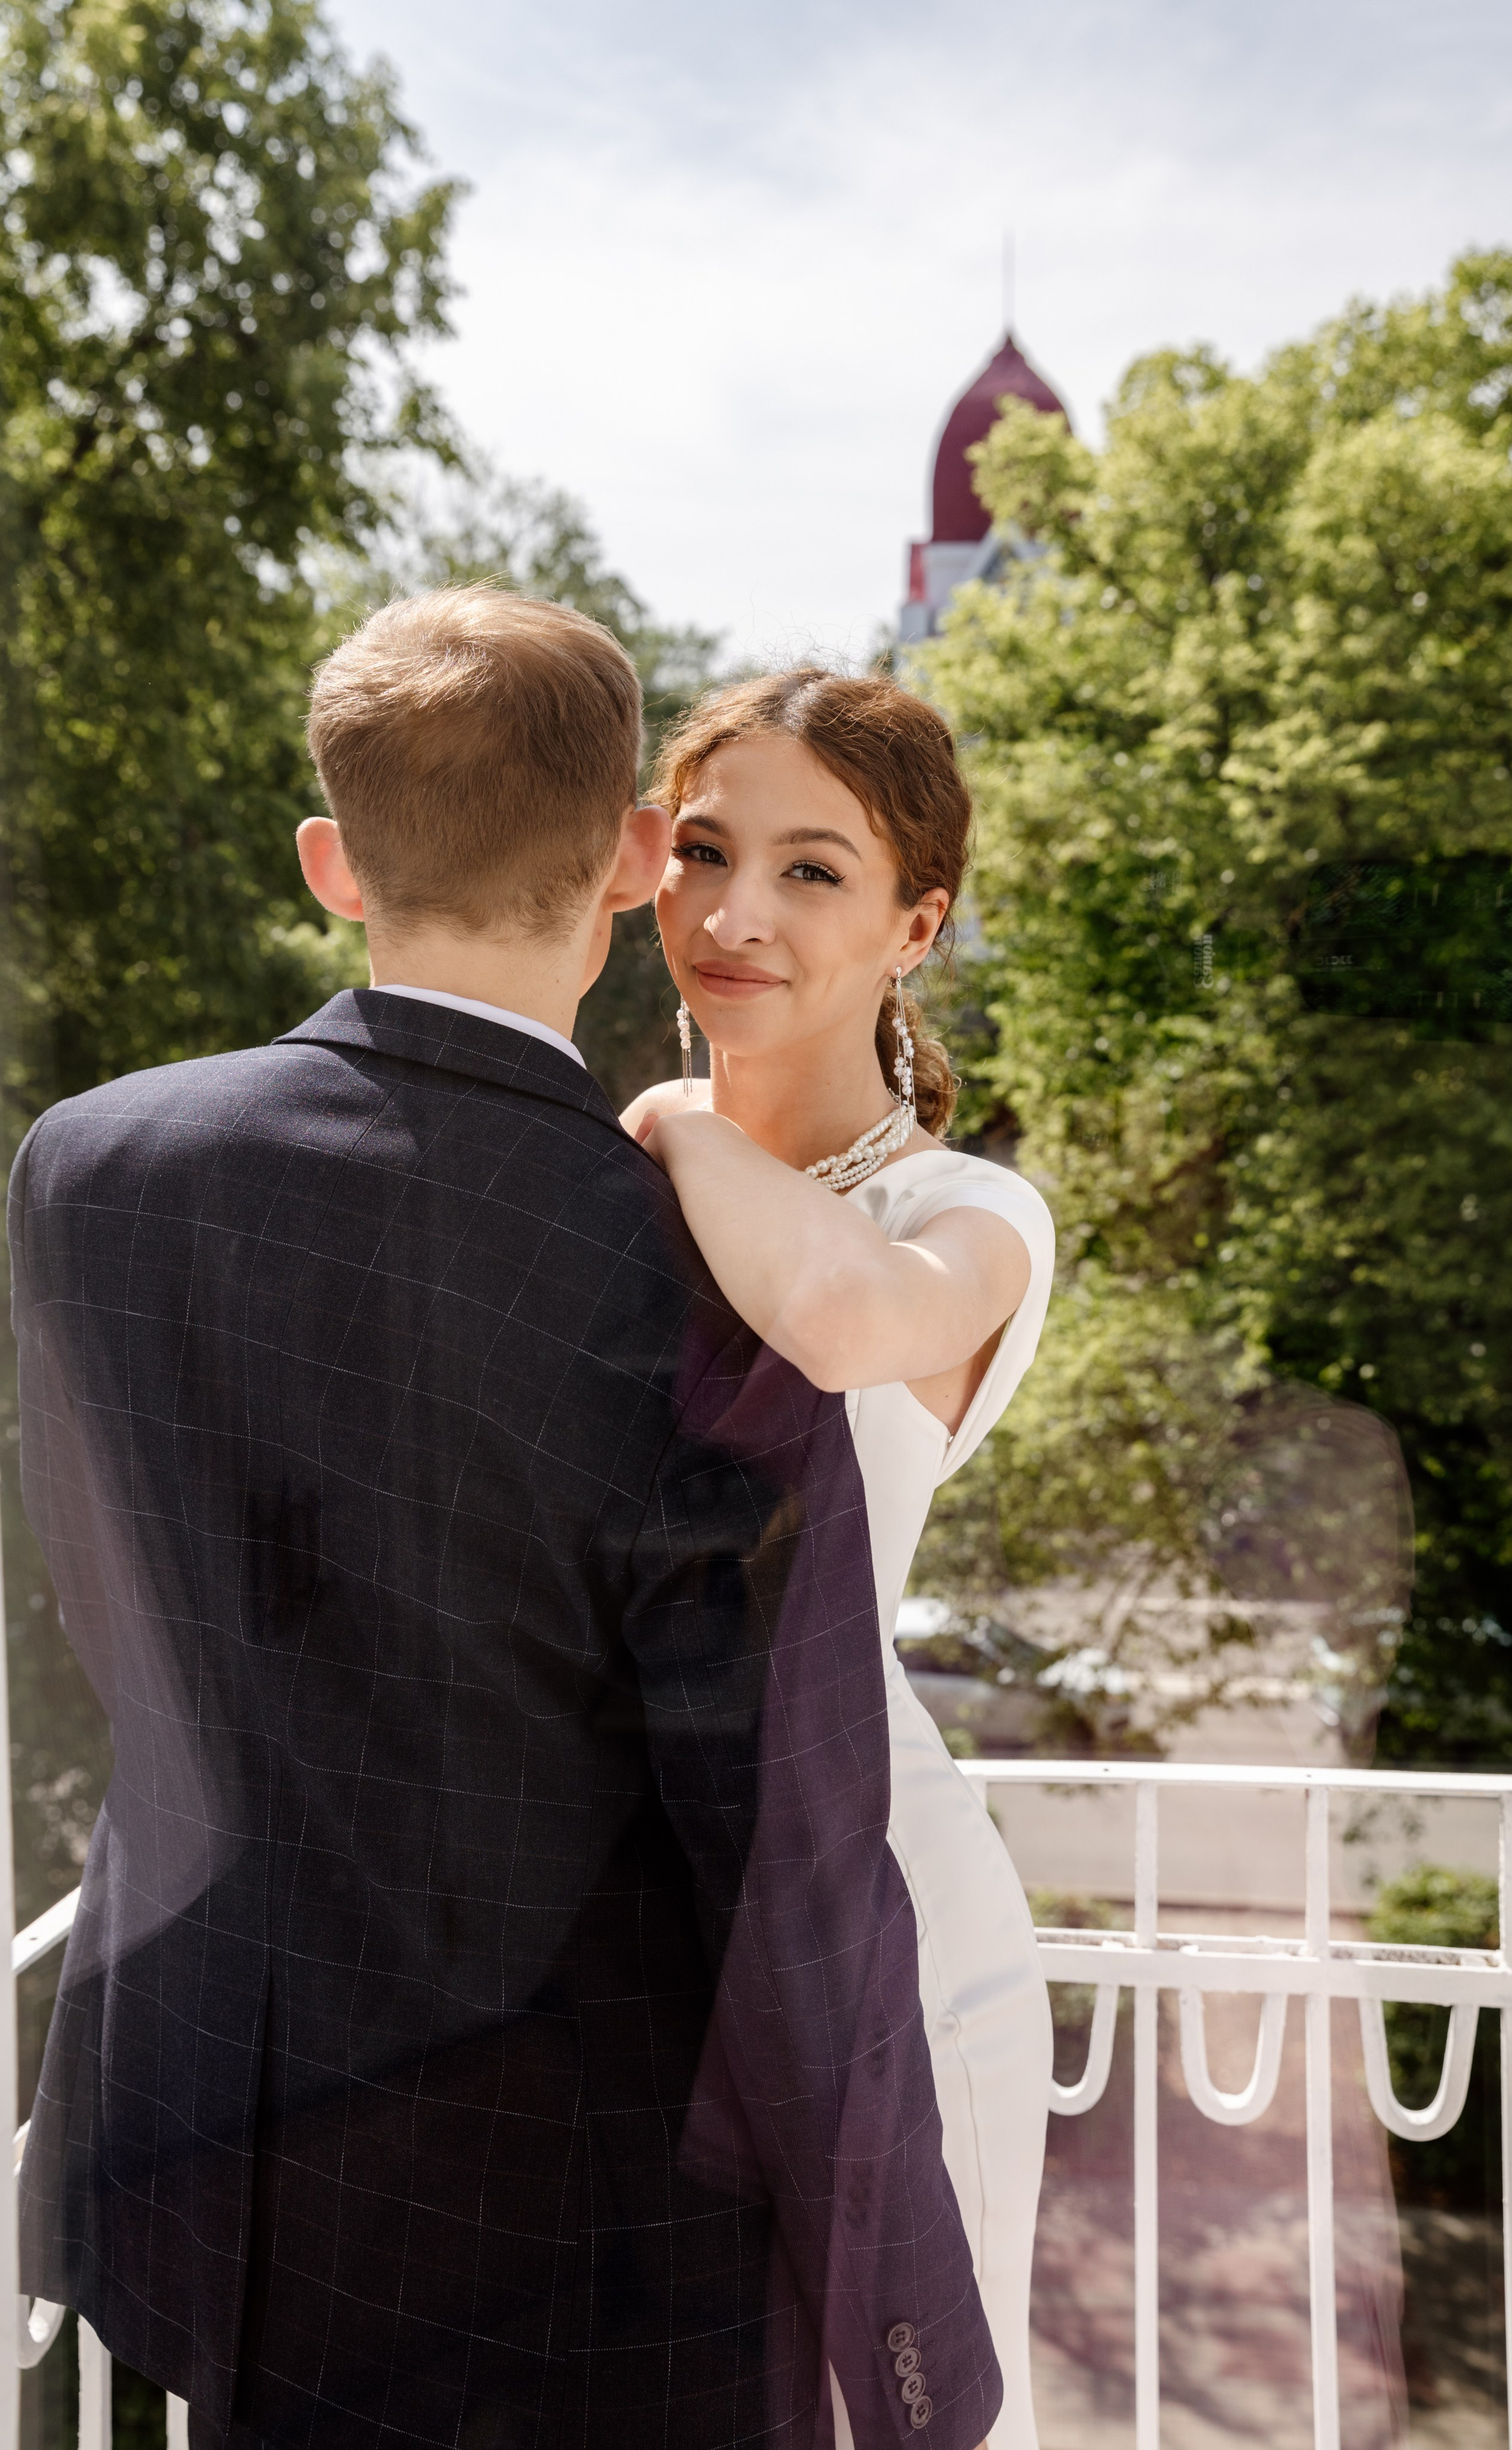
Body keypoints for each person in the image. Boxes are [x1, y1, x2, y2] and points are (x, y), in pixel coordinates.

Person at [11, 592, 1000, 2450]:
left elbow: (111, 1611)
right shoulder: (709, 1286)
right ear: (636, 863)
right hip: (573, 2229)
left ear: (331, 863)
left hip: (211, 2139)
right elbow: (784, 1848)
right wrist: (908, 2340)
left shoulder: (88, 1165)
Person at [623, 670, 1056, 2450]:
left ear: (916, 925)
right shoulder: (599, 1192)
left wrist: (667, 1123)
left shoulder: (966, 1220)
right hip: (630, 1926)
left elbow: (828, 1315)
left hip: (874, 1905)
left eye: (812, 871)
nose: (734, 916)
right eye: (705, 851)